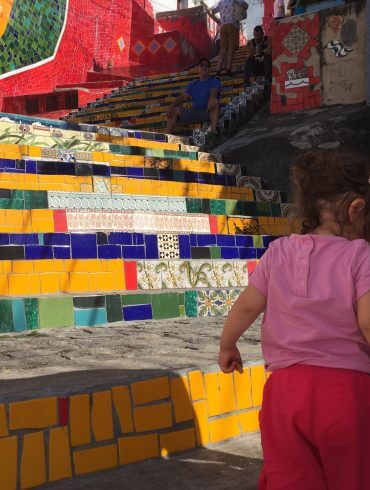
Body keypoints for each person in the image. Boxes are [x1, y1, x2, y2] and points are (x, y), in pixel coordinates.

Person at [218, 150, 370, 489]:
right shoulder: (361, 255)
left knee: (291, 479)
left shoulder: (279, 251)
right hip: (347, 393)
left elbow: (245, 306)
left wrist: (227, 345)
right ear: (356, 208)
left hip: (284, 393)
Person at [165, 58, 220, 141]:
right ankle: (166, 137)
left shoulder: (214, 81)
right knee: (174, 109)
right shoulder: (193, 84)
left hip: (206, 111)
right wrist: (171, 106)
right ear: (198, 68)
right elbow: (184, 97)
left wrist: (212, 99)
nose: (204, 67)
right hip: (194, 112)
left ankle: (213, 131)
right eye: (202, 65)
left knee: (215, 103)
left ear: (210, 69)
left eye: (207, 66)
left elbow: (214, 93)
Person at [212, 0, 249, 77]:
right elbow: (246, 6)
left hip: (223, 26)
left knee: (223, 50)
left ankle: (218, 71)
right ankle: (228, 70)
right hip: (233, 25)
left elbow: (211, 11)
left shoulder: (220, 2)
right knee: (231, 49)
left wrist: (217, 20)